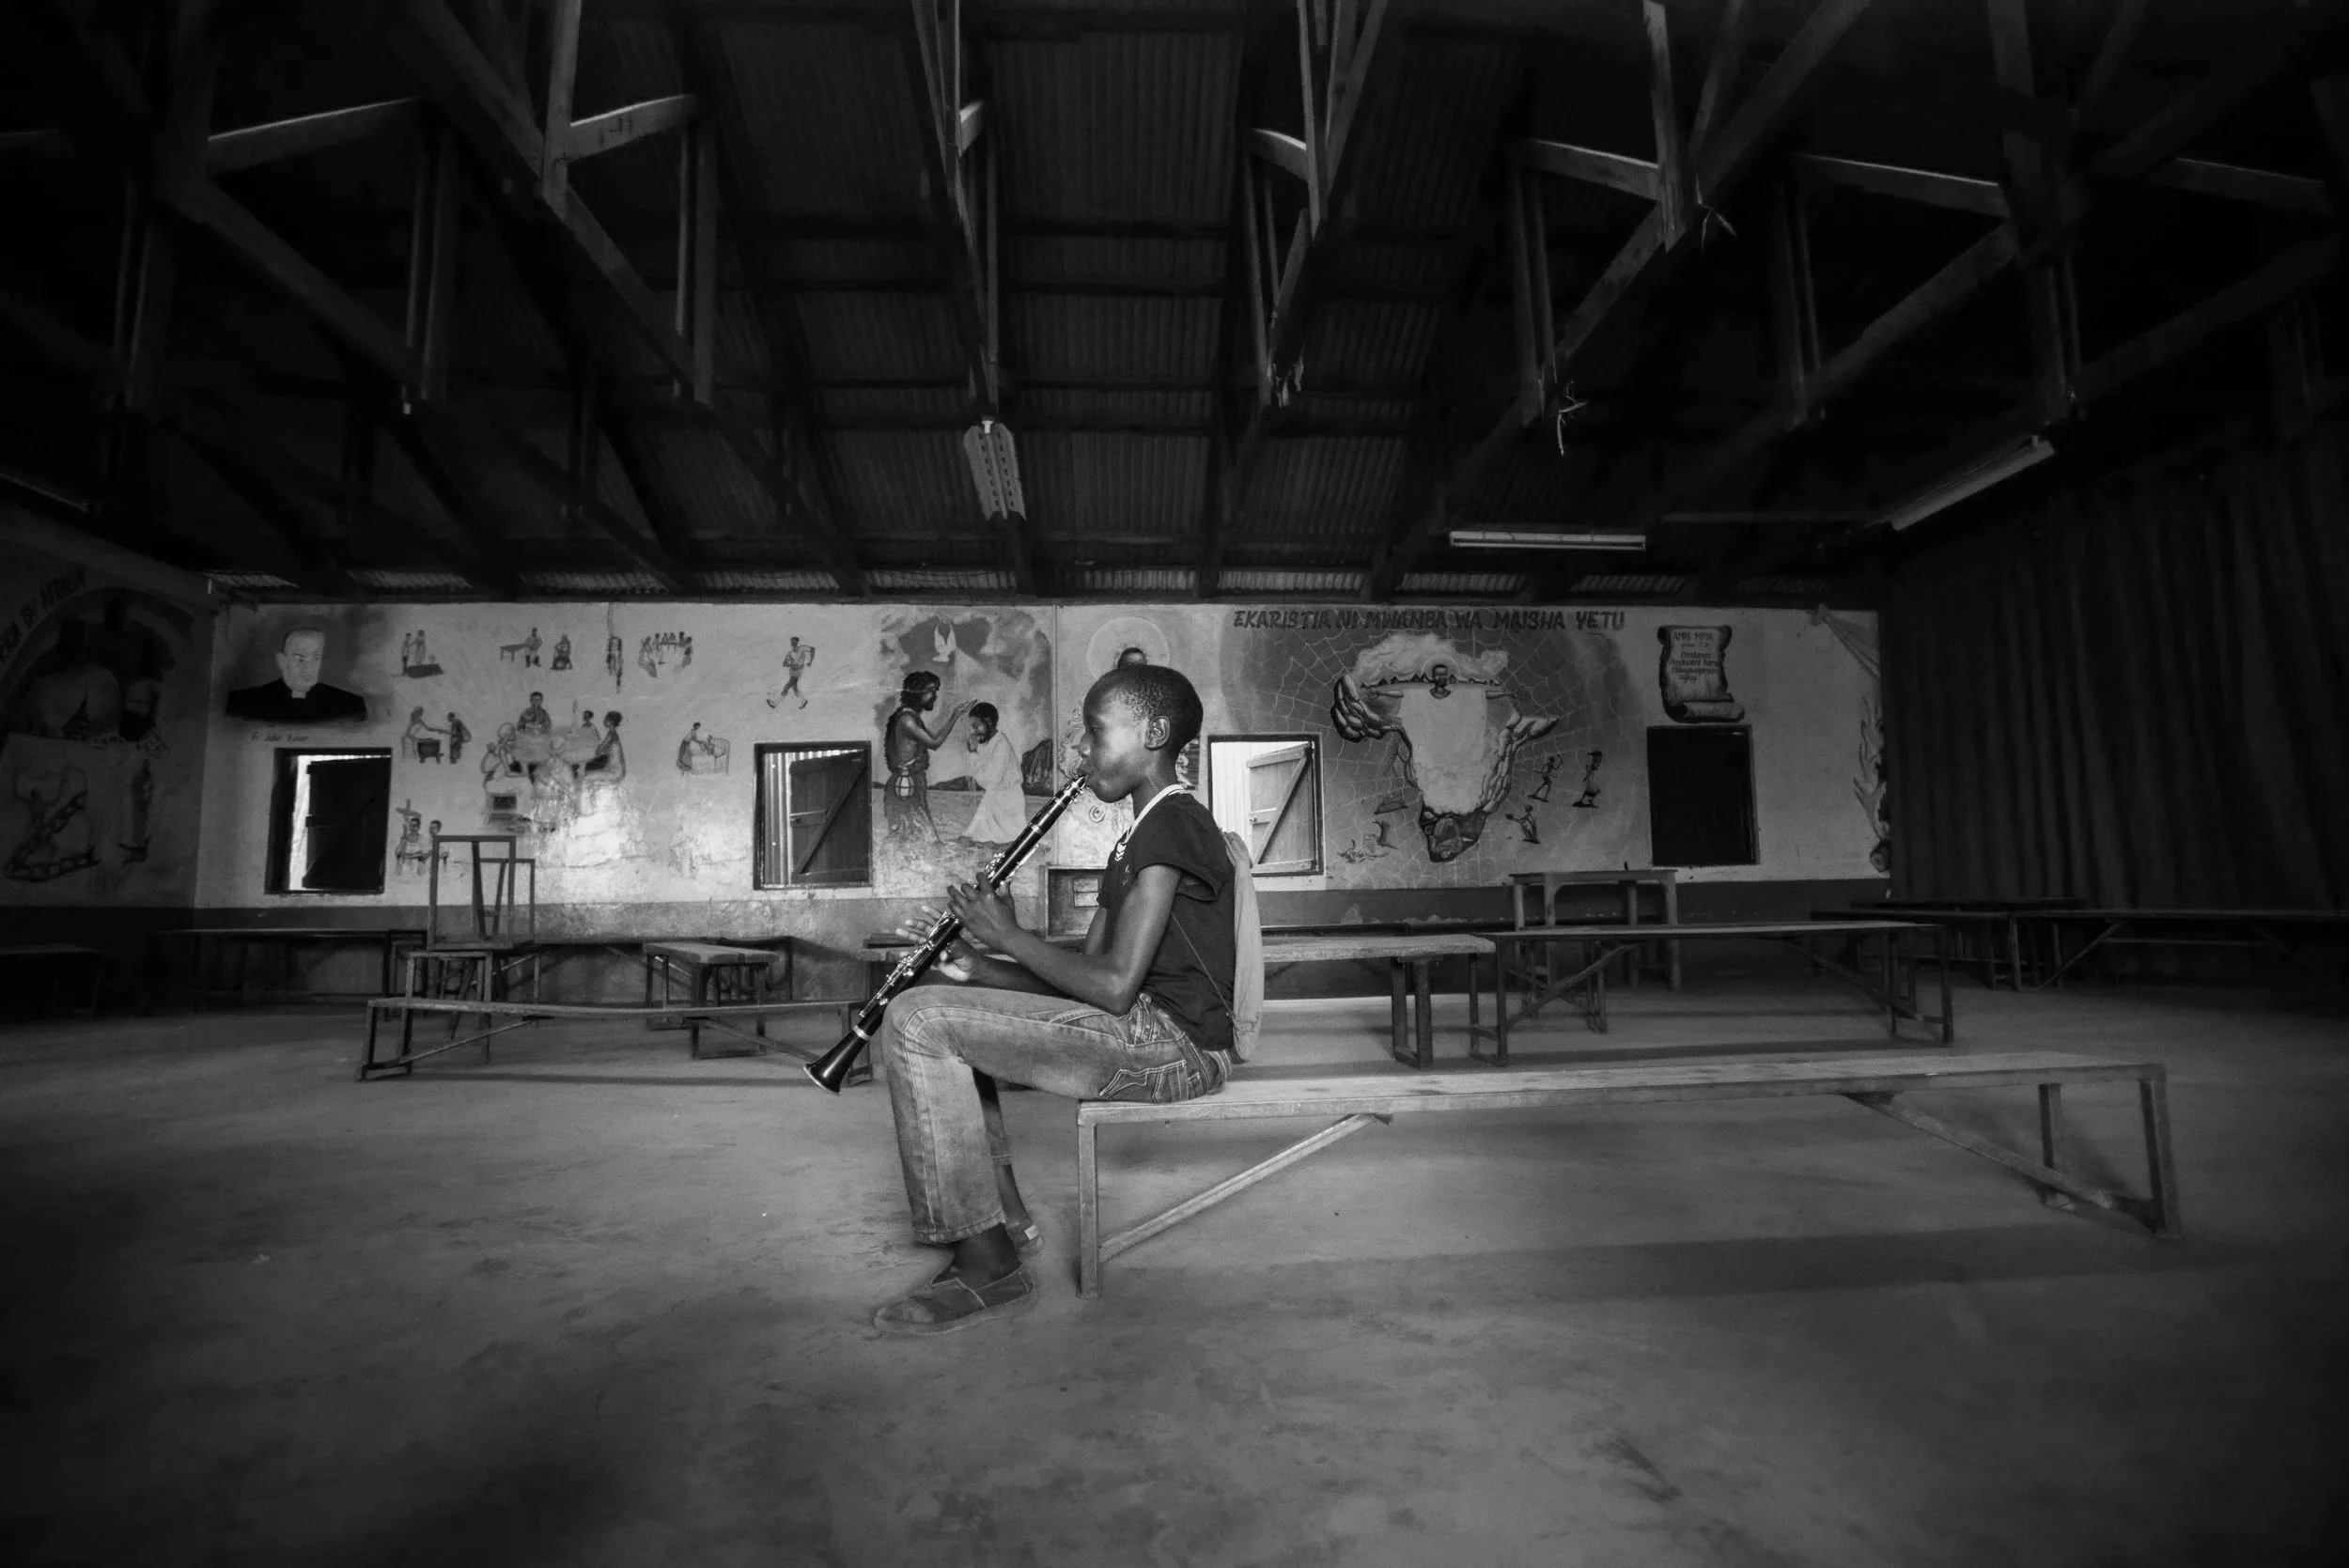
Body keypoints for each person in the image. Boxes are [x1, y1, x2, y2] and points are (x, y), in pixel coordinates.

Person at [868, 664, 1237, 1336]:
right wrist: (982, 964)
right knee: (937, 1005)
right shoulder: (1136, 837)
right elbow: (1086, 979)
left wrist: (1010, 935)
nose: (1080, 752)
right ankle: (1001, 1217)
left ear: (1154, 732)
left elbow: (1115, 988)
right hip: (1139, 1032)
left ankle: (988, 1264)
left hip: (1176, 1049)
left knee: (916, 1020)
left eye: (1095, 733)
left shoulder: (1175, 823)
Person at [883, 672, 968, 841]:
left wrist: (955, 715)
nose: (934, 696)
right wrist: (954, 716)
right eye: (931, 690)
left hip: (911, 784)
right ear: (916, 692)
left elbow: (934, 737)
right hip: (906, 786)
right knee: (919, 836)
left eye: (935, 691)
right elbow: (934, 743)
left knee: (914, 835)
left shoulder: (911, 718)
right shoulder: (907, 721)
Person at [225, 628, 367, 722]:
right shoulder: (243, 703)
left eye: (316, 658)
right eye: (300, 659)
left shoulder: (351, 705)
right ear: (282, 660)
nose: (309, 667)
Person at [957, 702, 1028, 843]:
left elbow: (989, 780)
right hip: (995, 798)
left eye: (977, 727)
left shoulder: (1001, 744)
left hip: (1007, 802)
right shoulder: (988, 742)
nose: (974, 731)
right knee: (972, 837)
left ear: (988, 722)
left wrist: (973, 753)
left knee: (1000, 839)